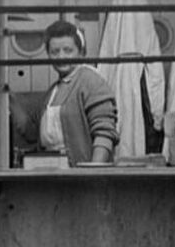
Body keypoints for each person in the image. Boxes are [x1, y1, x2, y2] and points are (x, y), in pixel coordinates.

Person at [12, 20, 119, 165]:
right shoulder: (52, 92)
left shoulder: (91, 81)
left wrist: (94, 172)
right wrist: (8, 97)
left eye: (68, 50)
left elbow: (104, 133)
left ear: (81, 53)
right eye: (55, 52)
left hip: (82, 177)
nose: (61, 56)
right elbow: (32, 133)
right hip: (55, 172)